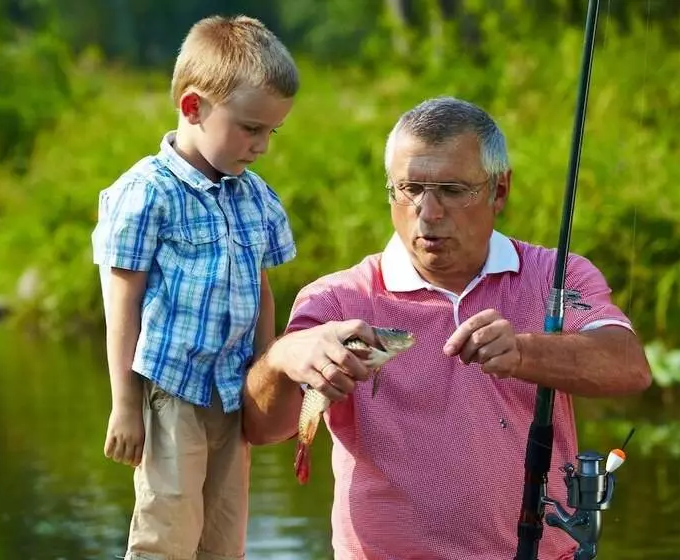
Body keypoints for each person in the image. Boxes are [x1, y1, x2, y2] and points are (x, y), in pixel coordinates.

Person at [242, 96, 652, 559]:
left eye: (453, 191)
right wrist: (281, 358)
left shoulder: (555, 276)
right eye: (410, 188)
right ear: (389, 192)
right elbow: (262, 427)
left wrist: (522, 353)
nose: (428, 213)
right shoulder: (335, 299)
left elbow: (628, 366)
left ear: (499, 192)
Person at [90, 15, 299, 560]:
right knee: (169, 528)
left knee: (224, 535)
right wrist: (124, 405)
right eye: (250, 128)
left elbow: (262, 294)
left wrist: (265, 378)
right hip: (170, 392)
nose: (261, 147)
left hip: (232, 392)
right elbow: (122, 304)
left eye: (270, 132)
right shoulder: (146, 194)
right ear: (193, 107)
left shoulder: (254, 196)